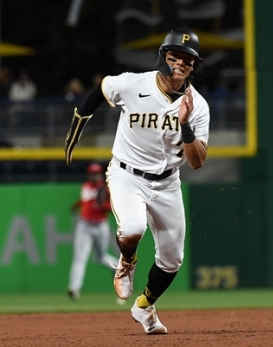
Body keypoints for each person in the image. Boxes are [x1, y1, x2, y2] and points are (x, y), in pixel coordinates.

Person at [64, 28, 209, 334]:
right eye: (175, 57)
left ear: (194, 66)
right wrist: (76, 128)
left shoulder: (198, 106)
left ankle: (144, 306)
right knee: (132, 228)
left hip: (168, 183)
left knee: (173, 259)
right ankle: (127, 259)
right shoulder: (134, 83)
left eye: (188, 59)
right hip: (126, 174)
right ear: (163, 57)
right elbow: (101, 90)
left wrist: (185, 125)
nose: (180, 64)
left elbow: (196, 162)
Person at [67, 162, 122, 302]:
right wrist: (76, 205)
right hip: (84, 225)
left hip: (100, 226)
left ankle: (119, 269)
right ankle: (74, 288)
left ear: (100, 174)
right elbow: (86, 201)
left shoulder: (106, 188)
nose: (95, 175)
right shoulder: (86, 186)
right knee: (80, 257)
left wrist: (103, 206)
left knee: (101, 257)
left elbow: (113, 207)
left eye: (97, 173)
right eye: (92, 173)